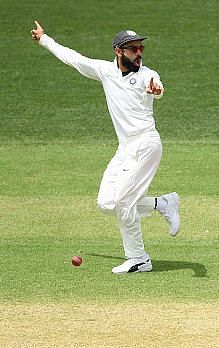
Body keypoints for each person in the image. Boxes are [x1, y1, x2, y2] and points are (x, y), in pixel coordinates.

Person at [31, 21, 181, 274]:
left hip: (146, 144)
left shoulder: (147, 75)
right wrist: (45, 39)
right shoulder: (105, 71)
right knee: (107, 204)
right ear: (118, 51)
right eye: (132, 48)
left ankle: (139, 259)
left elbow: (157, 87)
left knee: (123, 201)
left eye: (140, 48)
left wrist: (157, 90)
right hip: (125, 148)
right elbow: (74, 59)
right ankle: (162, 204)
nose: (139, 52)